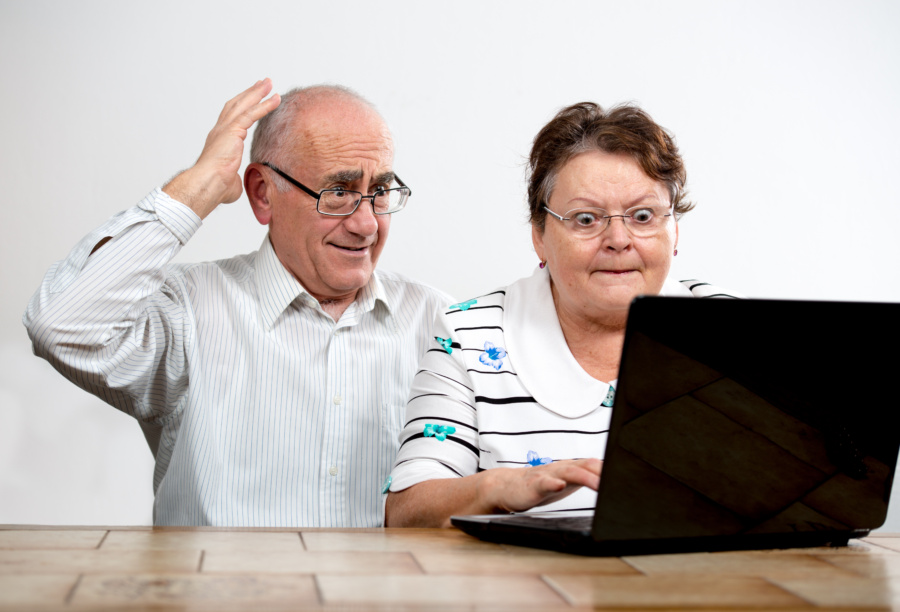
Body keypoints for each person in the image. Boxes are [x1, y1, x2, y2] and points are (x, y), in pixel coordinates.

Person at [24, 79, 452, 527]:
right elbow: (61, 324)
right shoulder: (187, 310)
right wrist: (200, 185)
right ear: (263, 193)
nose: (367, 225)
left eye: (380, 191)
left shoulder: (440, 324)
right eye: (339, 192)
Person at [384, 102, 740, 527]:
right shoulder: (469, 334)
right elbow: (406, 513)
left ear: (674, 229)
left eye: (643, 216)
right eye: (586, 219)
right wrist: (498, 488)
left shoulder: (741, 330)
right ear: (539, 236)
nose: (618, 239)